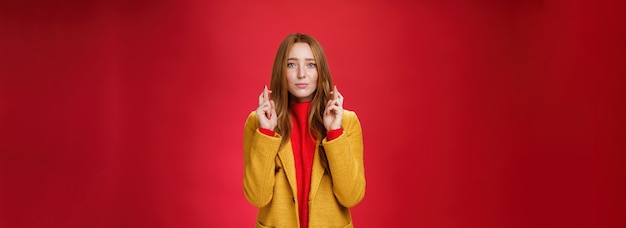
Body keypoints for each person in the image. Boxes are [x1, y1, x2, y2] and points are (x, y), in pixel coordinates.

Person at [243, 33, 366, 228]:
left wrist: (334, 133)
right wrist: (266, 133)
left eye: (311, 64)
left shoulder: (347, 122)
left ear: (321, 71)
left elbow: (351, 196)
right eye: (291, 64)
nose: (302, 73)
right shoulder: (258, 123)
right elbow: (257, 197)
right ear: (281, 70)